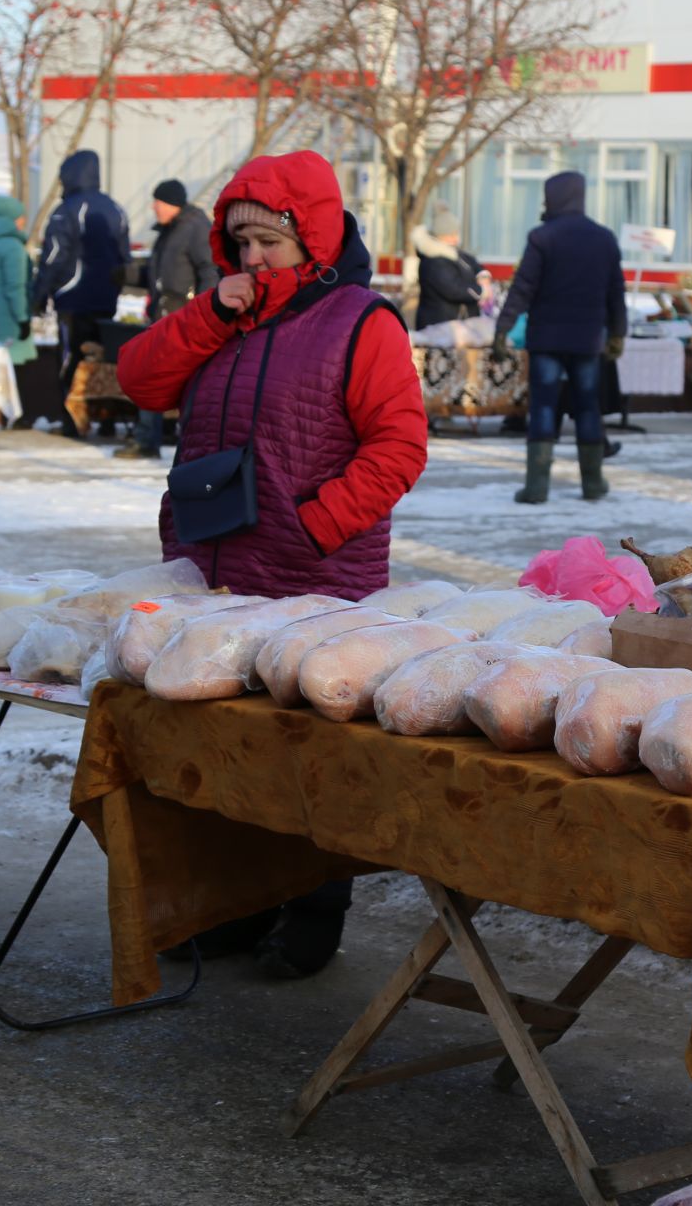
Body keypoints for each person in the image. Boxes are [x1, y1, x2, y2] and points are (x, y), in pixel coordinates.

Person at [117, 151, 428, 978]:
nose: (252, 260)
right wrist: (211, 314)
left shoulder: (363, 321)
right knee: (223, 752)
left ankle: (315, 908)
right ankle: (235, 906)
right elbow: (139, 380)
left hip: (314, 579)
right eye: (240, 242)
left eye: (269, 243)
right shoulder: (226, 316)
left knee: (307, 756)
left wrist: (318, 524)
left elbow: (399, 447)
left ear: (312, 239)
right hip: (214, 572)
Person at [492, 170, 627, 503]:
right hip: (587, 339)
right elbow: (616, 292)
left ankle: (536, 487)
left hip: (546, 340)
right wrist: (618, 333)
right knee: (587, 408)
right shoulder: (604, 238)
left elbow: (523, 288)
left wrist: (502, 329)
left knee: (543, 408)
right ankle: (593, 483)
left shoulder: (542, 237)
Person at [33, 149, 131, 439]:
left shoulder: (68, 210)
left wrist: (40, 294)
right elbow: (125, 257)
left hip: (73, 299)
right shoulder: (116, 209)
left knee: (71, 358)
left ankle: (71, 420)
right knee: (105, 362)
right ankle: (108, 418)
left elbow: (53, 257)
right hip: (107, 300)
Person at [117, 178, 217, 460]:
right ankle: (147, 440)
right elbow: (158, 274)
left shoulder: (195, 229)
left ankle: (188, 445)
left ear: (172, 203)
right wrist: (128, 276)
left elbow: (210, 270)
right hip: (163, 317)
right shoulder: (168, 232)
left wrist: (204, 311)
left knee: (188, 386)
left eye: (158, 202)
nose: (153, 207)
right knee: (153, 377)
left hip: (185, 319)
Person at [0, 194, 34, 367]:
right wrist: (22, 319)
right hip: (8, 319)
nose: (24, 221)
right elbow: (15, 287)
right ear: (14, 219)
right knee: (12, 370)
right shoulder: (13, 247)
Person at [412, 207, 483, 329]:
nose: (456, 238)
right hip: (439, 327)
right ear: (440, 236)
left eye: (456, 233)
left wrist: (483, 275)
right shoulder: (434, 261)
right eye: (451, 235)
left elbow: (473, 264)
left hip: (454, 326)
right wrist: (481, 291)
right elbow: (454, 290)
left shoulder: (452, 253)